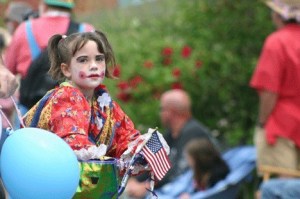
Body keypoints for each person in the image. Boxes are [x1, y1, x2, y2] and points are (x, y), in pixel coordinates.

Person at [23, 30, 142, 197]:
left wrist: (139, 150)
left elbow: (125, 136)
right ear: (66, 70)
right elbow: (74, 140)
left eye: (99, 59)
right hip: (50, 184)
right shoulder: (65, 97)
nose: (93, 65)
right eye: (83, 60)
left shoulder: (104, 102)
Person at [125, 89, 218, 198]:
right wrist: (135, 180)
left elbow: (180, 173)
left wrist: (146, 187)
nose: (160, 113)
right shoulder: (171, 134)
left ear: (171, 112)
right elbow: (152, 161)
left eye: (162, 109)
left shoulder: (193, 134)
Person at [250, 0, 300, 172]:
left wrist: (263, 123)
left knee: (282, 187)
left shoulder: (276, 42)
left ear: (278, 15)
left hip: (282, 125)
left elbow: (269, 92)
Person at [4, 0, 94, 93]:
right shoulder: (86, 31)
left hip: (31, 105)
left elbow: (8, 69)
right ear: (71, 8)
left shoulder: (24, 29)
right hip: (76, 104)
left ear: (44, 5)